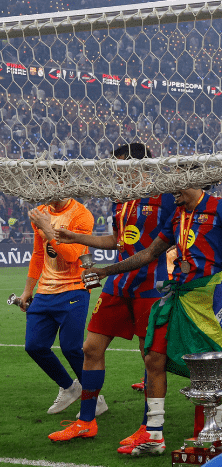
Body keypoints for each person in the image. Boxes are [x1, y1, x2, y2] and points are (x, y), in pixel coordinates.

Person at [79, 182, 222, 456]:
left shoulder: (220, 207)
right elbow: (149, 253)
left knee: (207, 364)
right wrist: (107, 271)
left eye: (177, 186)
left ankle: (212, 435)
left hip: (207, 293)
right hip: (177, 292)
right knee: (153, 357)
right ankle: (154, 435)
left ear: (193, 183)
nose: (171, 191)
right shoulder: (177, 214)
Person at [47, 143, 171, 443]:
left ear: (139, 165)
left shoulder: (165, 197)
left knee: (151, 359)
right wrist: (77, 237)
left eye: (121, 165)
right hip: (119, 283)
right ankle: (86, 421)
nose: (116, 171)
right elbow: (117, 240)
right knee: (91, 348)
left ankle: (150, 428)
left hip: (150, 286)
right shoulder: (120, 199)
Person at [21, 191, 94, 422]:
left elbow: (72, 255)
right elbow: (38, 253)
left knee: (71, 347)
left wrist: (47, 227)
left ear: (62, 183)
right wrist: (28, 290)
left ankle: (93, 398)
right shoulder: (40, 212)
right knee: (34, 346)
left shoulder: (81, 215)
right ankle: (69, 387)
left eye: (47, 182)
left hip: (74, 288)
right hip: (45, 291)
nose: (40, 188)